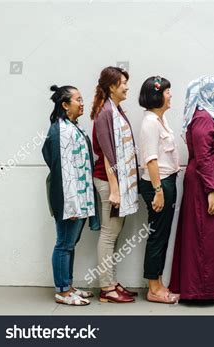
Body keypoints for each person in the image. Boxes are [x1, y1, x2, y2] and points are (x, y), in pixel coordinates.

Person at [169, 76, 214, 302]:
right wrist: (212, 190)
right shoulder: (203, 118)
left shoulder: (210, 116)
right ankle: (202, 290)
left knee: (211, 235)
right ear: (205, 92)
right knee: (204, 236)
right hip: (205, 187)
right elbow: (203, 157)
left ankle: (213, 288)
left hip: (212, 184)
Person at [42, 84, 100, 306]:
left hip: (79, 198)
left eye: (82, 98)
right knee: (63, 244)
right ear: (65, 105)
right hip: (69, 200)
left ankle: (68, 284)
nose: (82, 102)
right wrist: (72, 204)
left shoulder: (73, 127)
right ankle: (62, 291)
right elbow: (60, 170)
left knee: (70, 243)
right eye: (77, 99)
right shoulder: (60, 131)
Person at [90, 66, 139, 303]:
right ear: (112, 86)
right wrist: (116, 190)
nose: (127, 87)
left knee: (114, 234)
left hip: (117, 182)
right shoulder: (104, 113)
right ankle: (106, 288)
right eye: (123, 83)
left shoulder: (114, 109)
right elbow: (109, 157)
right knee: (109, 235)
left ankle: (111, 281)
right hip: (109, 182)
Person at [138, 76, 181, 304]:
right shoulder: (150, 123)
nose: (170, 95)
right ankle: (153, 288)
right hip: (158, 183)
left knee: (162, 235)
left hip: (166, 181)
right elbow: (151, 160)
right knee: (157, 235)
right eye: (166, 92)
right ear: (156, 95)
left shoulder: (160, 120)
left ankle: (158, 282)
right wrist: (158, 190)